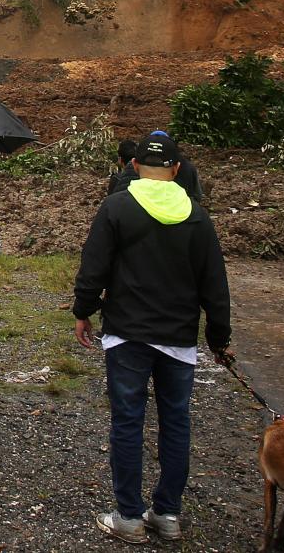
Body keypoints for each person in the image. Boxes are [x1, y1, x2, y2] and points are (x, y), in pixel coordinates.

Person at [73, 132, 233, 544]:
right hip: (178, 337)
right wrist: (218, 335)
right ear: (177, 170)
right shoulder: (196, 215)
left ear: (134, 166)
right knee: (175, 422)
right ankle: (167, 513)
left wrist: (83, 310)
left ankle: (127, 515)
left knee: (128, 422)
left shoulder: (117, 207)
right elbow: (215, 281)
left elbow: (95, 265)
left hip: (128, 332)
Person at [111, 130, 204, 202]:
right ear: (175, 169)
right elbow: (197, 195)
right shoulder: (186, 167)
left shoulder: (114, 202)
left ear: (135, 165)